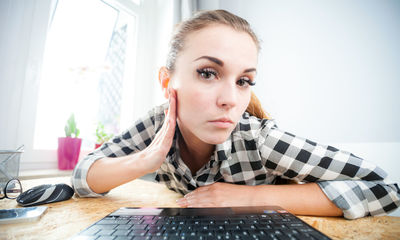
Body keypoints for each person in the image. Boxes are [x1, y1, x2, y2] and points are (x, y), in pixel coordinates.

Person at [72, 10, 399, 220]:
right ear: (166, 81)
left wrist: (251, 196)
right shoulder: (159, 124)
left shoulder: (262, 141)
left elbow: (385, 187)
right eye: (208, 73)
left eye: (244, 81)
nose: (230, 99)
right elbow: (84, 174)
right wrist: (145, 160)